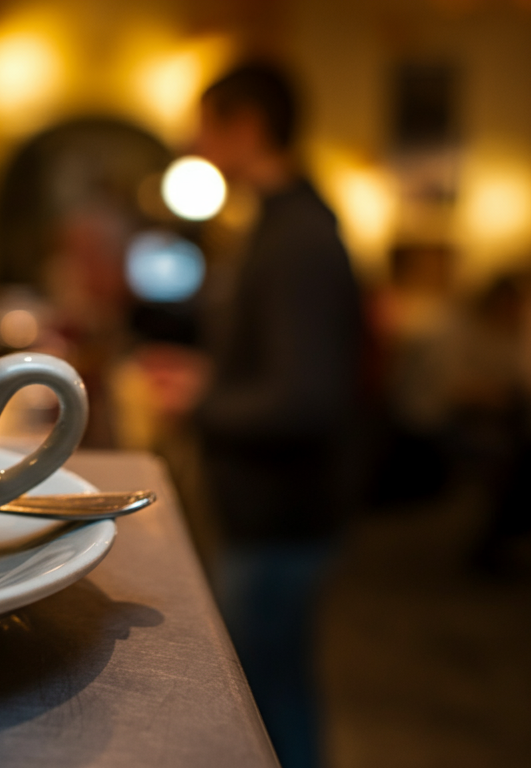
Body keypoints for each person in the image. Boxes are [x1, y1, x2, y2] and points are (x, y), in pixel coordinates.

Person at [192, 62, 362, 768]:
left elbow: (306, 398)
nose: (192, 143)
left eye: (205, 126)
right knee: (274, 690)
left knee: (263, 704)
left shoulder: (297, 239)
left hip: (279, 516)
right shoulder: (279, 224)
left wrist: (199, 404)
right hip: (273, 511)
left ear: (248, 128)